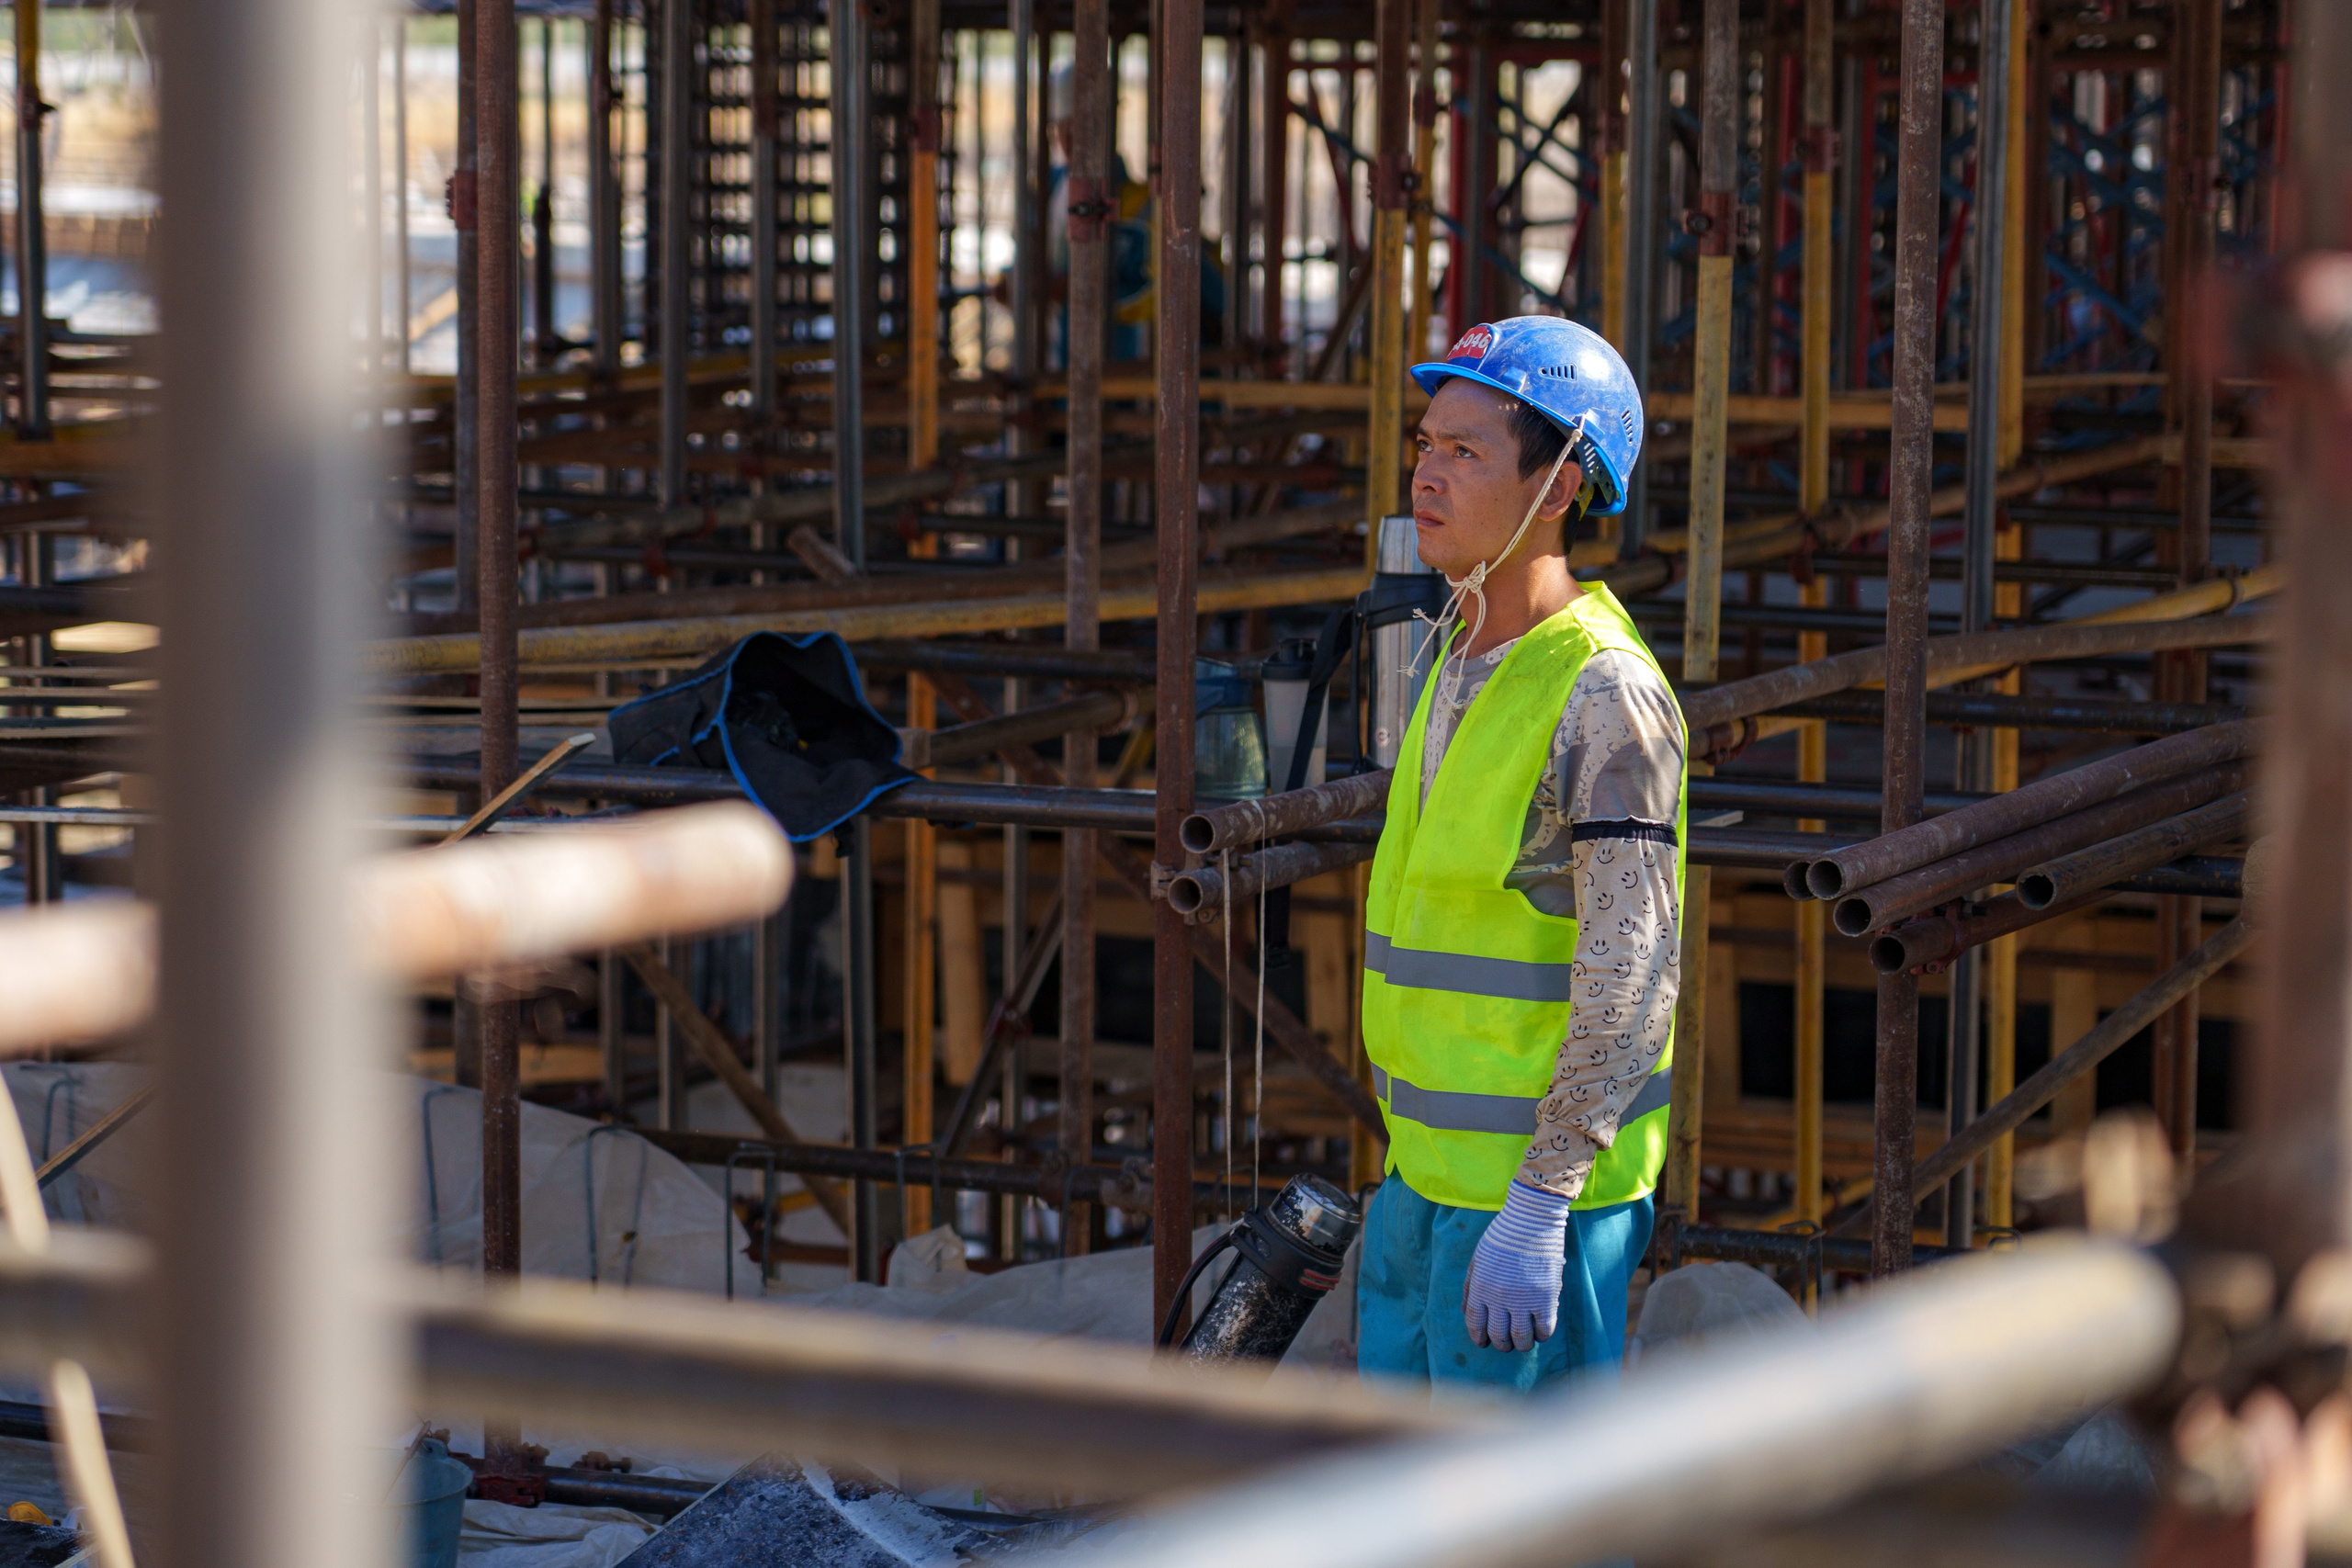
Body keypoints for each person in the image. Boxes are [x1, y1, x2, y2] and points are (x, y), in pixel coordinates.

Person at [1356, 314, 1685, 1393]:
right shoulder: (1453, 651)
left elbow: (1634, 971)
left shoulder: (1604, 691)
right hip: (1425, 1182)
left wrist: (1540, 1201)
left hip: (1534, 1204)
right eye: (1424, 443)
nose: (1428, 474)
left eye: (1467, 451)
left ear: (1557, 488)